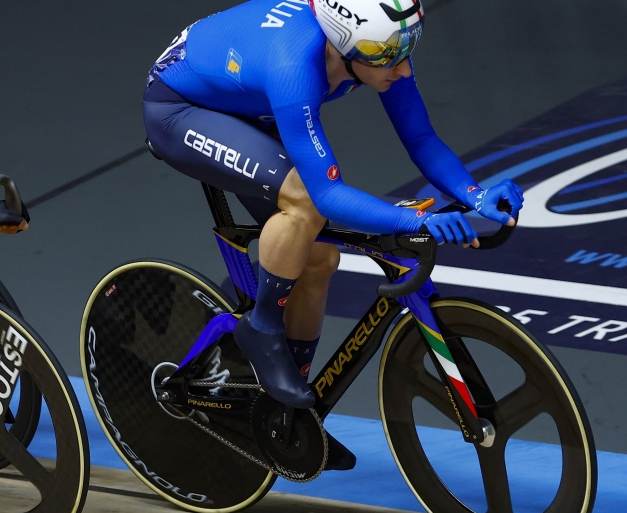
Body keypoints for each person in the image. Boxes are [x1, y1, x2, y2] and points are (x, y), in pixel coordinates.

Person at [142, 0, 523, 468]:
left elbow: (421, 138)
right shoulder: (294, 64)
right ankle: (261, 330)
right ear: (345, 47)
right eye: (387, 56)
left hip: (246, 104)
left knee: (319, 259)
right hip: (181, 110)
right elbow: (326, 194)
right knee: (303, 204)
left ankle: (291, 414)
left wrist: (475, 193)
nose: (402, 68)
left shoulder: (377, 44)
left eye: (407, 50)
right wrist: (415, 221)